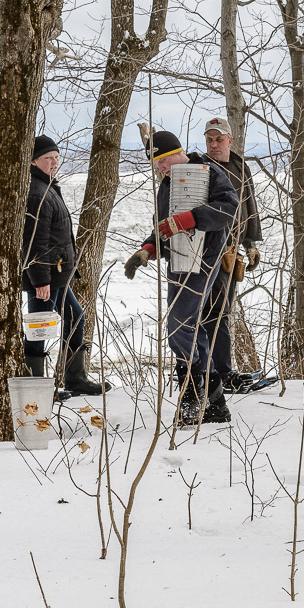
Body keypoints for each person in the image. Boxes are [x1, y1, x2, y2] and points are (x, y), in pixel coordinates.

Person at [123, 131, 239, 424]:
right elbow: (164, 226)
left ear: (178, 151)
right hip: (177, 260)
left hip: (204, 258)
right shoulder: (166, 184)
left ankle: (190, 396)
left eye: (162, 160)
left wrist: (190, 219)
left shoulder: (207, 171)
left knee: (179, 325)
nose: (160, 167)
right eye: (155, 163)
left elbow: (228, 208)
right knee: (191, 328)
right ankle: (215, 404)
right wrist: (147, 250)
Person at [21, 135, 111, 397]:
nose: (54, 163)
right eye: (48, 158)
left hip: (57, 273)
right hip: (46, 276)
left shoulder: (47, 187)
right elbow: (34, 241)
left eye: (57, 158)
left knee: (75, 317)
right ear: (33, 161)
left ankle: (75, 378)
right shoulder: (36, 192)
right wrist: (40, 280)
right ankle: (35, 386)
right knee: (39, 327)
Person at [198, 116, 263, 392]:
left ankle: (222, 371)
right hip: (210, 249)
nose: (214, 145)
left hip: (232, 251)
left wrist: (251, 243)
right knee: (212, 312)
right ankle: (218, 372)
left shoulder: (239, 166)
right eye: (210, 140)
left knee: (223, 311)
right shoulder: (200, 167)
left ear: (230, 140)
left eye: (219, 139)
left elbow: (249, 205)